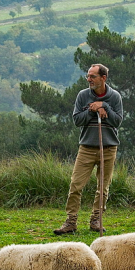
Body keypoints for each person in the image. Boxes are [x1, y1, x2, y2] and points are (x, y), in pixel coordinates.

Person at [53, 63, 123, 235]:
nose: (89, 79)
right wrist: (93, 110)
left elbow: (117, 121)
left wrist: (104, 107)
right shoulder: (83, 96)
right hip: (86, 147)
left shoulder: (114, 97)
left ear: (103, 78)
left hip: (108, 148)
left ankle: (96, 220)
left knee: (103, 187)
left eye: (92, 76)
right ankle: (71, 221)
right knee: (76, 185)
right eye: (88, 76)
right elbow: (77, 120)